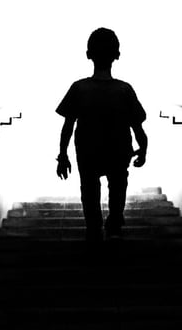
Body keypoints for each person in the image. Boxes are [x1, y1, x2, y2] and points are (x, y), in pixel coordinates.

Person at [55, 27, 148, 242]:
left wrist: (63, 156)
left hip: (88, 152)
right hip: (119, 151)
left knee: (89, 190)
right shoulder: (125, 90)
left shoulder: (79, 88)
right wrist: (143, 150)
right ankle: (114, 223)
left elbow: (67, 126)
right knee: (118, 186)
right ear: (117, 55)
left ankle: (94, 229)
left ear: (88, 55)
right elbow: (138, 128)